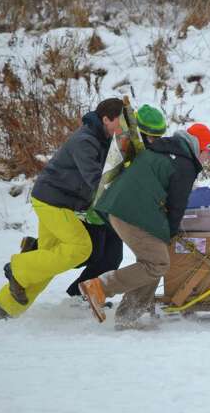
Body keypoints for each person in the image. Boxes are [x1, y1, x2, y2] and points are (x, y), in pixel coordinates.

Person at [0, 98, 124, 321]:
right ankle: (18, 267)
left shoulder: (102, 138)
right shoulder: (86, 141)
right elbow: (96, 180)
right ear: (106, 119)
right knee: (80, 247)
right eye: (120, 121)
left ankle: (2, 307)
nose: (123, 127)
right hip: (54, 201)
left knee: (49, 258)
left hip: (57, 201)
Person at [78, 123, 210, 328]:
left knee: (153, 261)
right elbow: (176, 205)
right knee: (157, 264)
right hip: (131, 213)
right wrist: (170, 232)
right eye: (208, 151)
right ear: (198, 147)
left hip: (120, 209)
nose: (209, 158)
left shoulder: (166, 150)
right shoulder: (185, 164)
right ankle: (99, 287)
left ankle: (128, 317)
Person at [64, 104, 168, 297]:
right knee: (91, 256)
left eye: (158, 137)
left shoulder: (133, 143)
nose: (155, 142)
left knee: (111, 257)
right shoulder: (125, 144)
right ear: (142, 133)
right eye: (153, 137)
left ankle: (79, 294)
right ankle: (82, 293)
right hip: (104, 207)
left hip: (114, 207)